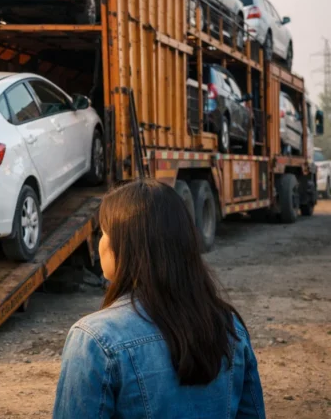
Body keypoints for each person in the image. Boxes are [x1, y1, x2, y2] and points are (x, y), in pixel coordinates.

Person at [53, 179, 265, 418]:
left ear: (127, 245)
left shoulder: (95, 340)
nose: (100, 242)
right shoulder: (228, 325)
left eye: (103, 232)